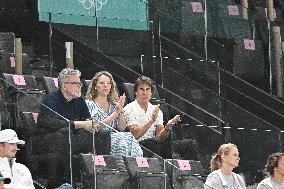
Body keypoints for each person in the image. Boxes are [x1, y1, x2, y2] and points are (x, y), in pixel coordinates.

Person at [37, 68, 109, 188]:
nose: (79, 86)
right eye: (76, 83)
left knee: (104, 134)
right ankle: (68, 182)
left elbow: (87, 119)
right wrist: (79, 124)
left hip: (72, 137)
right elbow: (50, 123)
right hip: (49, 139)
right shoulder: (51, 99)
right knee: (65, 134)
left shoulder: (79, 100)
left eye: (80, 83)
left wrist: (92, 124)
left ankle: (101, 177)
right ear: (64, 86)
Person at [123, 75, 199, 160]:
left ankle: (191, 172)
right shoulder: (128, 109)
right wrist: (151, 121)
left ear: (151, 93)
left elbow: (159, 137)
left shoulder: (157, 111)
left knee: (190, 144)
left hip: (155, 145)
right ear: (136, 92)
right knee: (153, 142)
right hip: (138, 146)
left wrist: (168, 127)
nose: (145, 93)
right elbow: (135, 135)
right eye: (141, 89)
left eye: (148, 89)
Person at [85, 71, 143, 168]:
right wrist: (115, 113)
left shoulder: (113, 105)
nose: (105, 86)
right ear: (95, 86)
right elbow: (96, 126)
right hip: (99, 138)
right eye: (102, 83)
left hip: (116, 137)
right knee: (123, 138)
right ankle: (124, 169)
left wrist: (120, 111)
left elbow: (121, 127)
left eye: (108, 83)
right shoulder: (88, 104)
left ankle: (134, 170)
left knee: (128, 136)